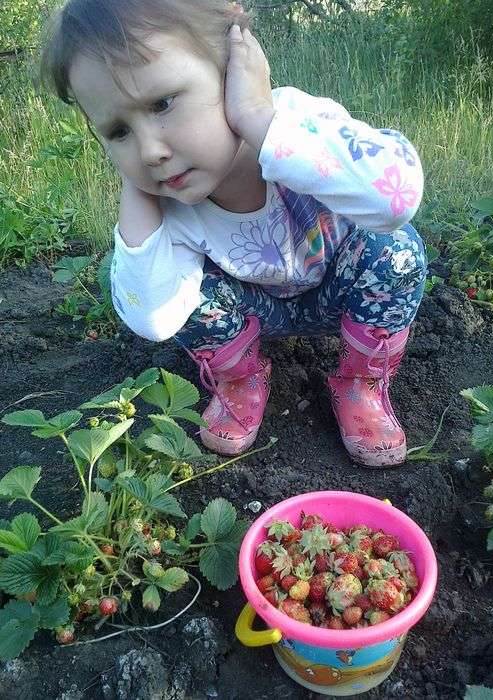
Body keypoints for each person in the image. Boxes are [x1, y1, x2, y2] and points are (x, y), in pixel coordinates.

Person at [38, 0, 427, 468]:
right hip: (253, 313)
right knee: (177, 288)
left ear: (231, 68)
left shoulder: (299, 125)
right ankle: (239, 380)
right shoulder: (170, 201)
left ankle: (361, 382)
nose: (151, 151)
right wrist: (136, 188)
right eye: (119, 130)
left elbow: (397, 200)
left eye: (162, 103)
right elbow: (153, 318)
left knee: (396, 252)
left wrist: (260, 119)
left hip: (340, 294)